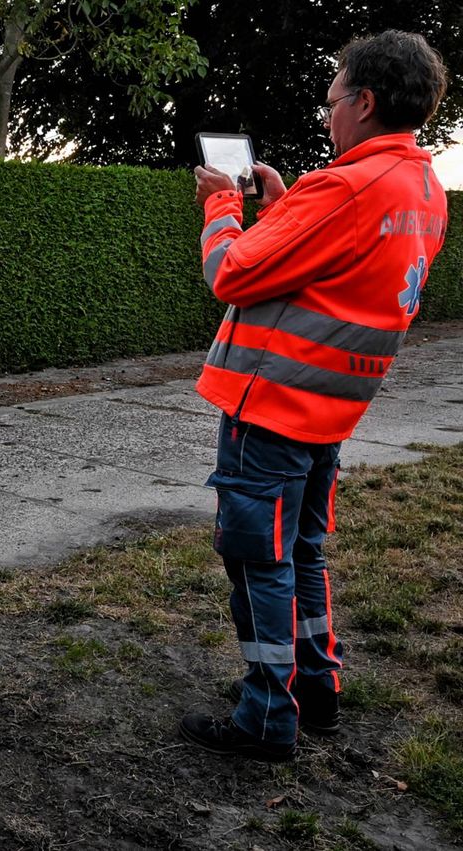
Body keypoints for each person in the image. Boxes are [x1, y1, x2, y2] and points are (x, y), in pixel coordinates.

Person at [182, 30, 450, 762]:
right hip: (330, 410)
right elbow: (333, 272)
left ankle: (268, 714)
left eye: (333, 97)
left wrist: (218, 207)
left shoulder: (347, 187)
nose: (327, 112)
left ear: (364, 101)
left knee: (256, 559)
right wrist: (290, 203)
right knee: (302, 551)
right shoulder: (423, 189)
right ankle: (316, 685)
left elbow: (233, 274)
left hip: (269, 409)